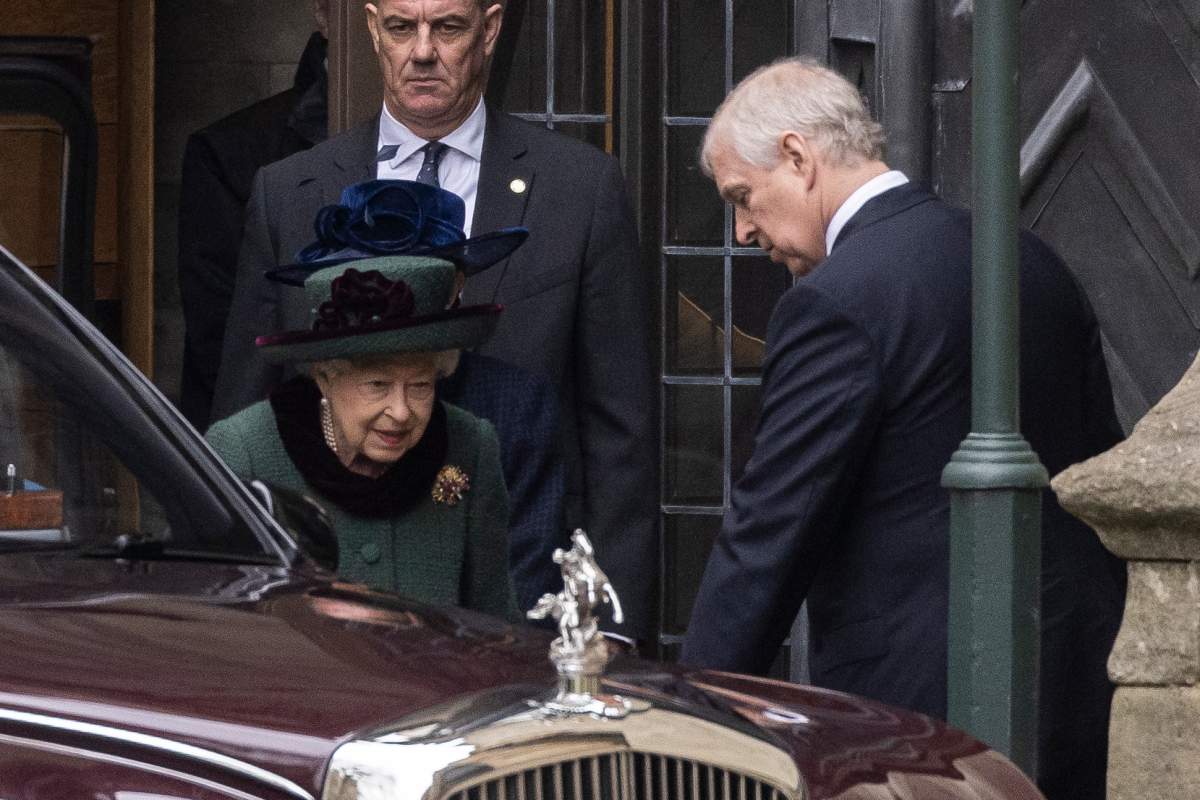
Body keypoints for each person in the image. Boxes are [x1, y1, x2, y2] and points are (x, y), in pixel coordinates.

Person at [679, 58, 1124, 800]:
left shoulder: (834, 302)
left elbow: (770, 532)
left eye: (742, 197)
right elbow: (1097, 465)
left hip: (920, 722)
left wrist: (693, 706)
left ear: (798, 156)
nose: (742, 229)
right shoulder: (1031, 260)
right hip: (1075, 685)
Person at [212, 0, 656, 639]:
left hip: (521, 592)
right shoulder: (289, 191)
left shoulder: (580, 189)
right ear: (371, 30)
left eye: (447, 27)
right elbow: (245, 400)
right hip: (322, 603)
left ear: (490, 30)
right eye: (401, 27)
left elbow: (621, 437)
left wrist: (612, 631)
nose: (423, 51)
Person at [206, 186, 523, 618]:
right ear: (325, 376)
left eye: (421, 386)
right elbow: (219, 627)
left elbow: (494, 625)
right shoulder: (244, 449)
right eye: (377, 384)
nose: (402, 411)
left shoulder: (471, 445)